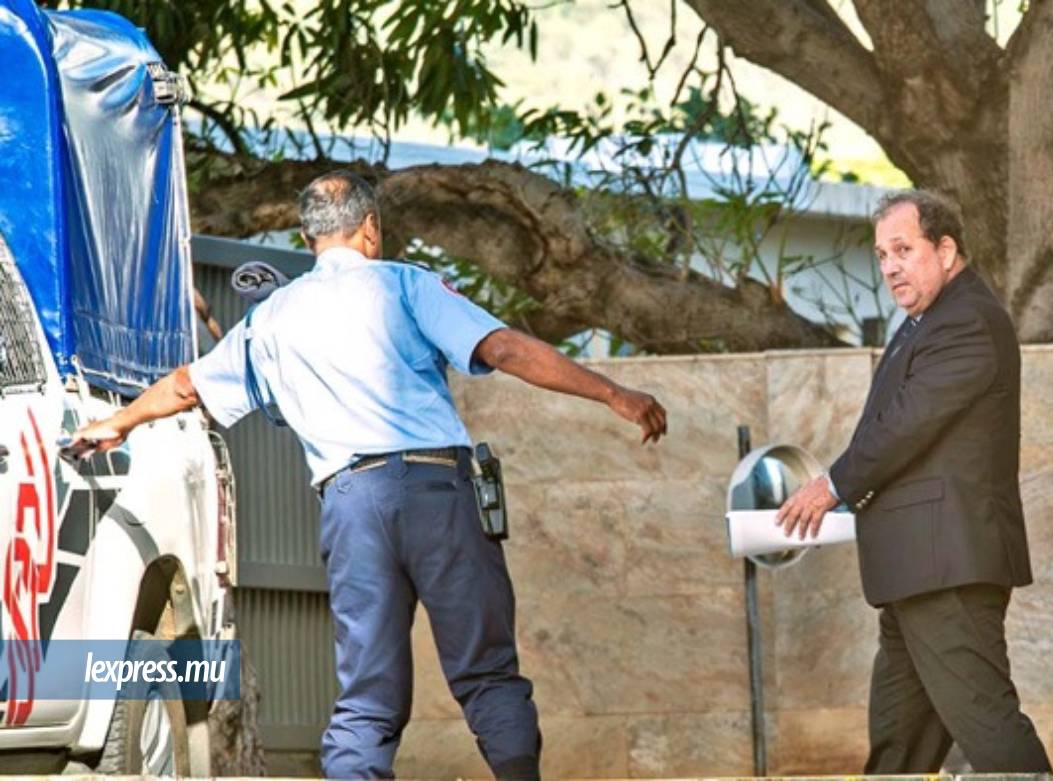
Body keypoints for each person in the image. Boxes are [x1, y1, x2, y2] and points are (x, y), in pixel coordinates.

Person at [73, 169, 667, 779]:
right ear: (371, 228)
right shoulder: (406, 286)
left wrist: (119, 421)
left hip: (351, 505)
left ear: (308, 237)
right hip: (440, 492)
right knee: (487, 675)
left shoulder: (272, 319)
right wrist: (612, 393)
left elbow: (183, 386)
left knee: (368, 696)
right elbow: (505, 349)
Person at [776, 190, 1051, 773]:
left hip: (946, 567)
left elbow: (907, 425)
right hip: (916, 570)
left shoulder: (968, 321)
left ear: (945, 249)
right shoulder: (927, 320)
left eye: (903, 249)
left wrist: (831, 486)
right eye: (881, 255)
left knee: (989, 727)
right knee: (899, 743)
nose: (890, 267)